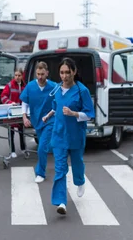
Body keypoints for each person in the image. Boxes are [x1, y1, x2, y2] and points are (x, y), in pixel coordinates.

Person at [42, 57, 95, 215]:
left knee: (77, 162)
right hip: (59, 135)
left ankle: (80, 181)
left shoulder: (82, 90)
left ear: (74, 72)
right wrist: (48, 115)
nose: (64, 76)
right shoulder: (57, 89)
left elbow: (90, 114)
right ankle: (61, 202)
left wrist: (74, 113)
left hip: (75, 135)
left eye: (67, 72)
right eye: (61, 73)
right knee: (60, 169)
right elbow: (55, 106)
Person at [20, 62, 58, 183]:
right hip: (37, 121)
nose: (40, 77)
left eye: (42, 74)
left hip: (49, 120)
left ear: (47, 73)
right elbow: (25, 103)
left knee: (41, 147)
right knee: (46, 147)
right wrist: (25, 117)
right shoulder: (30, 87)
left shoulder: (53, 86)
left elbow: (61, 100)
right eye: (38, 74)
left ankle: (40, 173)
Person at [0, 68, 26, 158]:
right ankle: (12, 151)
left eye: (19, 75)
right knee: (11, 132)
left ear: (22, 76)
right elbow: (3, 97)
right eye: (16, 75)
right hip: (11, 113)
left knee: (22, 131)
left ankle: (23, 149)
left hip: (20, 113)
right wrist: (10, 103)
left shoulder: (24, 86)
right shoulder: (10, 85)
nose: (17, 77)